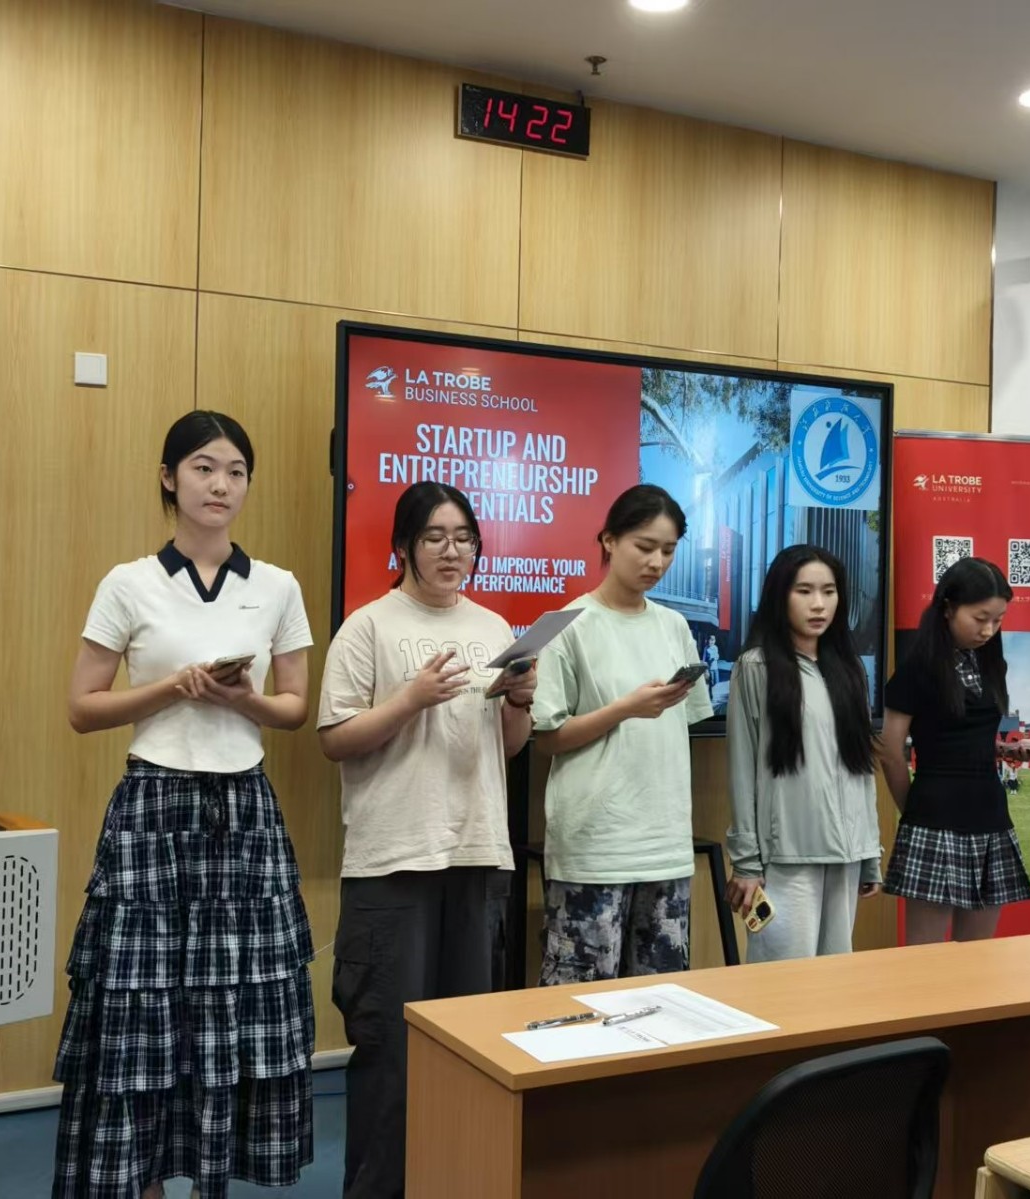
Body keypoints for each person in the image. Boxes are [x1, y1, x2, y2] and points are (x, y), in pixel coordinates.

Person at [52, 411, 316, 1199]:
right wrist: (173, 686)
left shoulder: (277, 586)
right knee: (143, 1008)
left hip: (244, 808)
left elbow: (294, 707)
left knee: (232, 1003)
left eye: (236, 471)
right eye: (203, 467)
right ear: (169, 477)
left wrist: (243, 699)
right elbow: (82, 707)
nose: (220, 484)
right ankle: (143, 1183)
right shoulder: (129, 581)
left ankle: (210, 1181)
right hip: (153, 806)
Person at [317, 481, 535, 1199]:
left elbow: (508, 746)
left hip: (477, 855)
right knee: (392, 1054)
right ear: (403, 546)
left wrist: (520, 699)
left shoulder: (494, 627)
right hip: (394, 861)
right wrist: (410, 699)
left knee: (467, 1049)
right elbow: (334, 739)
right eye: (435, 536)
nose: (452, 550)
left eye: (465, 537)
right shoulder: (368, 627)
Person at [533, 484, 713, 985]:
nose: (657, 562)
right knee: (581, 1001)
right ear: (609, 540)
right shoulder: (567, 626)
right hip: (593, 847)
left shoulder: (674, 626)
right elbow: (547, 738)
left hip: (664, 843)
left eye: (668, 550)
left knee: (661, 999)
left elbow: (685, 722)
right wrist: (623, 710)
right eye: (645, 546)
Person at [724, 545, 883, 960]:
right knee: (781, 982)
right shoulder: (756, 667)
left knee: (835, 983)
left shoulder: (850, 670)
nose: (818, 604)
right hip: (786, 858)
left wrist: (869, 853)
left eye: (829, 591)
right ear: (780, 596)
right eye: (804, 591)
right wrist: (746, 861)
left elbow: (860, 769)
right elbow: (742, 769)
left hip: (846, 857)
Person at [879, 557, 1030, 945]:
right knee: (926, 960)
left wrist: (1006, 749)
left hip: (989, 814)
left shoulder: (992, 664)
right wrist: (912, 812)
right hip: (935, 818)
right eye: (980, 618)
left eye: (998, 620)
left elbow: (968, 736)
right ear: (948, 608)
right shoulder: (917, 669)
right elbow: (890, 751)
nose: (988, 630)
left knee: (979, 957)